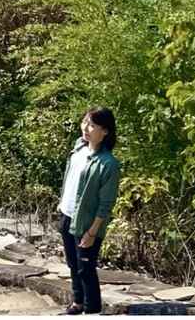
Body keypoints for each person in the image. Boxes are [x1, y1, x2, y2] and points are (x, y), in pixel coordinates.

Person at [58, 108, 121, 315]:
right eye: (85, 122)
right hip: (66, 214)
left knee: (86, 268)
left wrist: (93, 232)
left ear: (105, 131)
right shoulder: (78, 148)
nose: (86, 128)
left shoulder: (108, 164)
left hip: (86, 223)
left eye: (92, 125)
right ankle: (78, 302)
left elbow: (106, 203)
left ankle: (92, 310)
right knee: (72, 264)